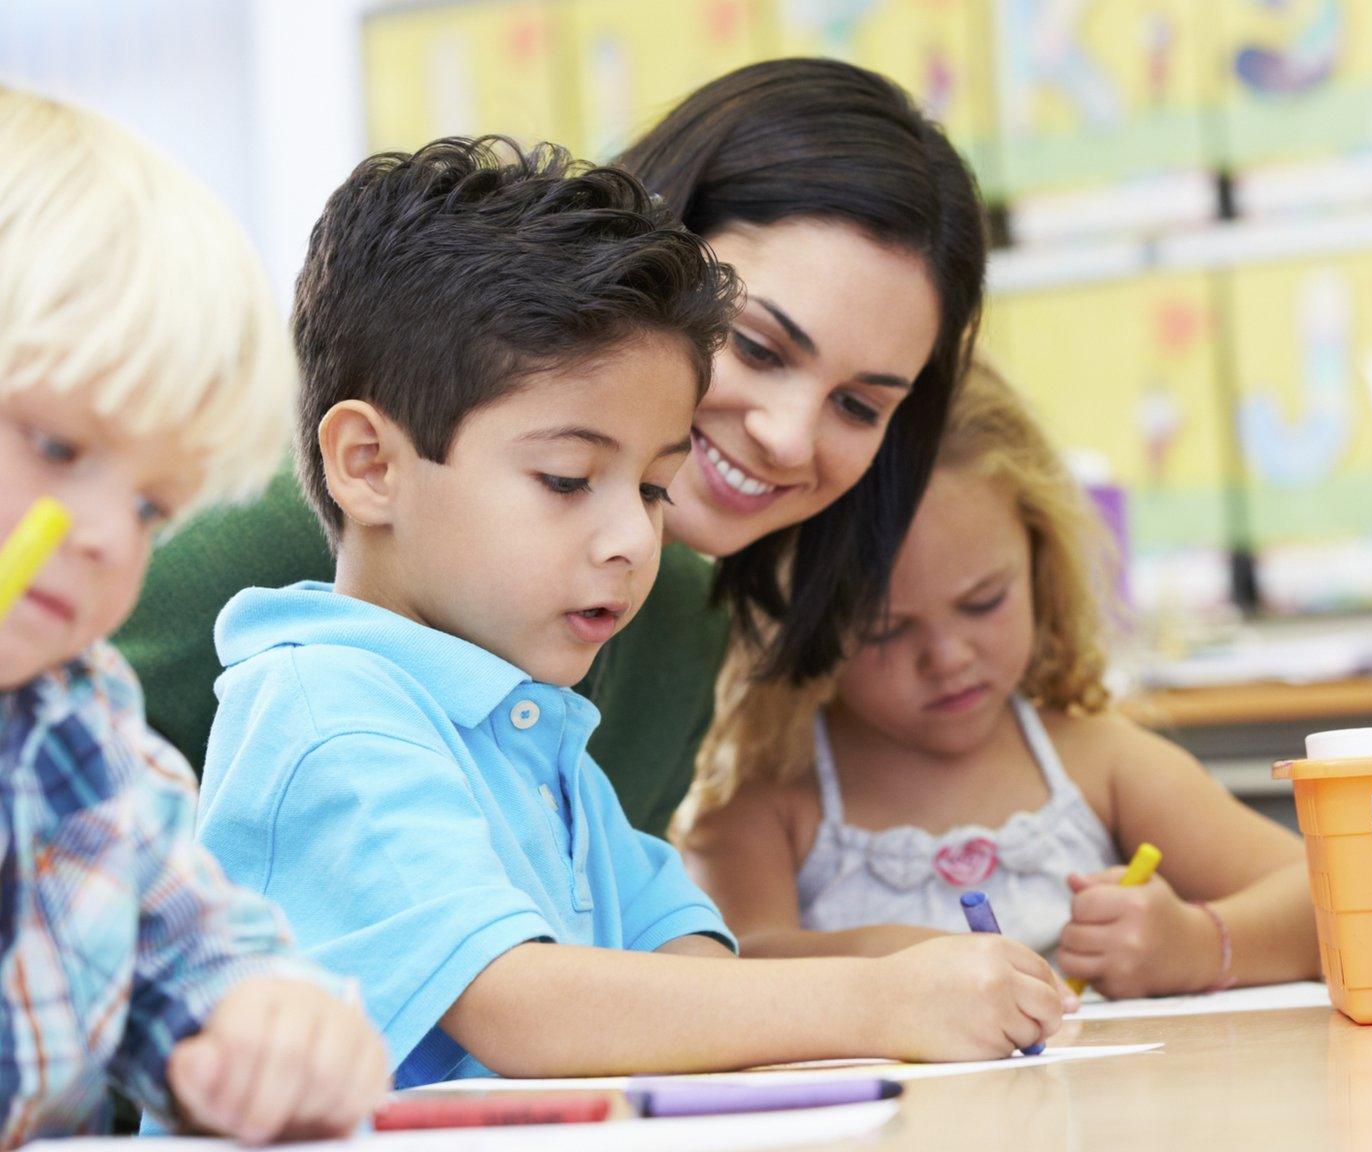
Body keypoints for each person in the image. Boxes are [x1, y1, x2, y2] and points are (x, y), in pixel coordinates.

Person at [196, 138, 1067, 1087]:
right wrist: (880, 1003)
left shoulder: (532, 726)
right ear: (370, 464)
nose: (633, 540)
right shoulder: (327, 711)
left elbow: (679, 963)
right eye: (567, 479)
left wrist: (897, 977)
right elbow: (522, 1005)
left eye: (654, 488)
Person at [115, 57, 988, 835]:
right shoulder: (307, 519)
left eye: (859, 406)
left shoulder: (679, 621)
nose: (789, 436)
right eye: (757, 348)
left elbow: (599, 963)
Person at [0, 88, 385, 1146]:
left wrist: (276, 1027)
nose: (102, 537)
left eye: (148, 507)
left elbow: (201, 953)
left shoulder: (83, 730)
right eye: (59, 448)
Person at [682, 364, 1320, 998]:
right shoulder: (768, 798)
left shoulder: (1098, 764)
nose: (948, 657)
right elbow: (721, 973)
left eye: (984, 601)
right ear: (798, 624)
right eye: (885, 631)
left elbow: (1329, 893)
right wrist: (893, 962)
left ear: (1040, 563)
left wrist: (1202, 943)